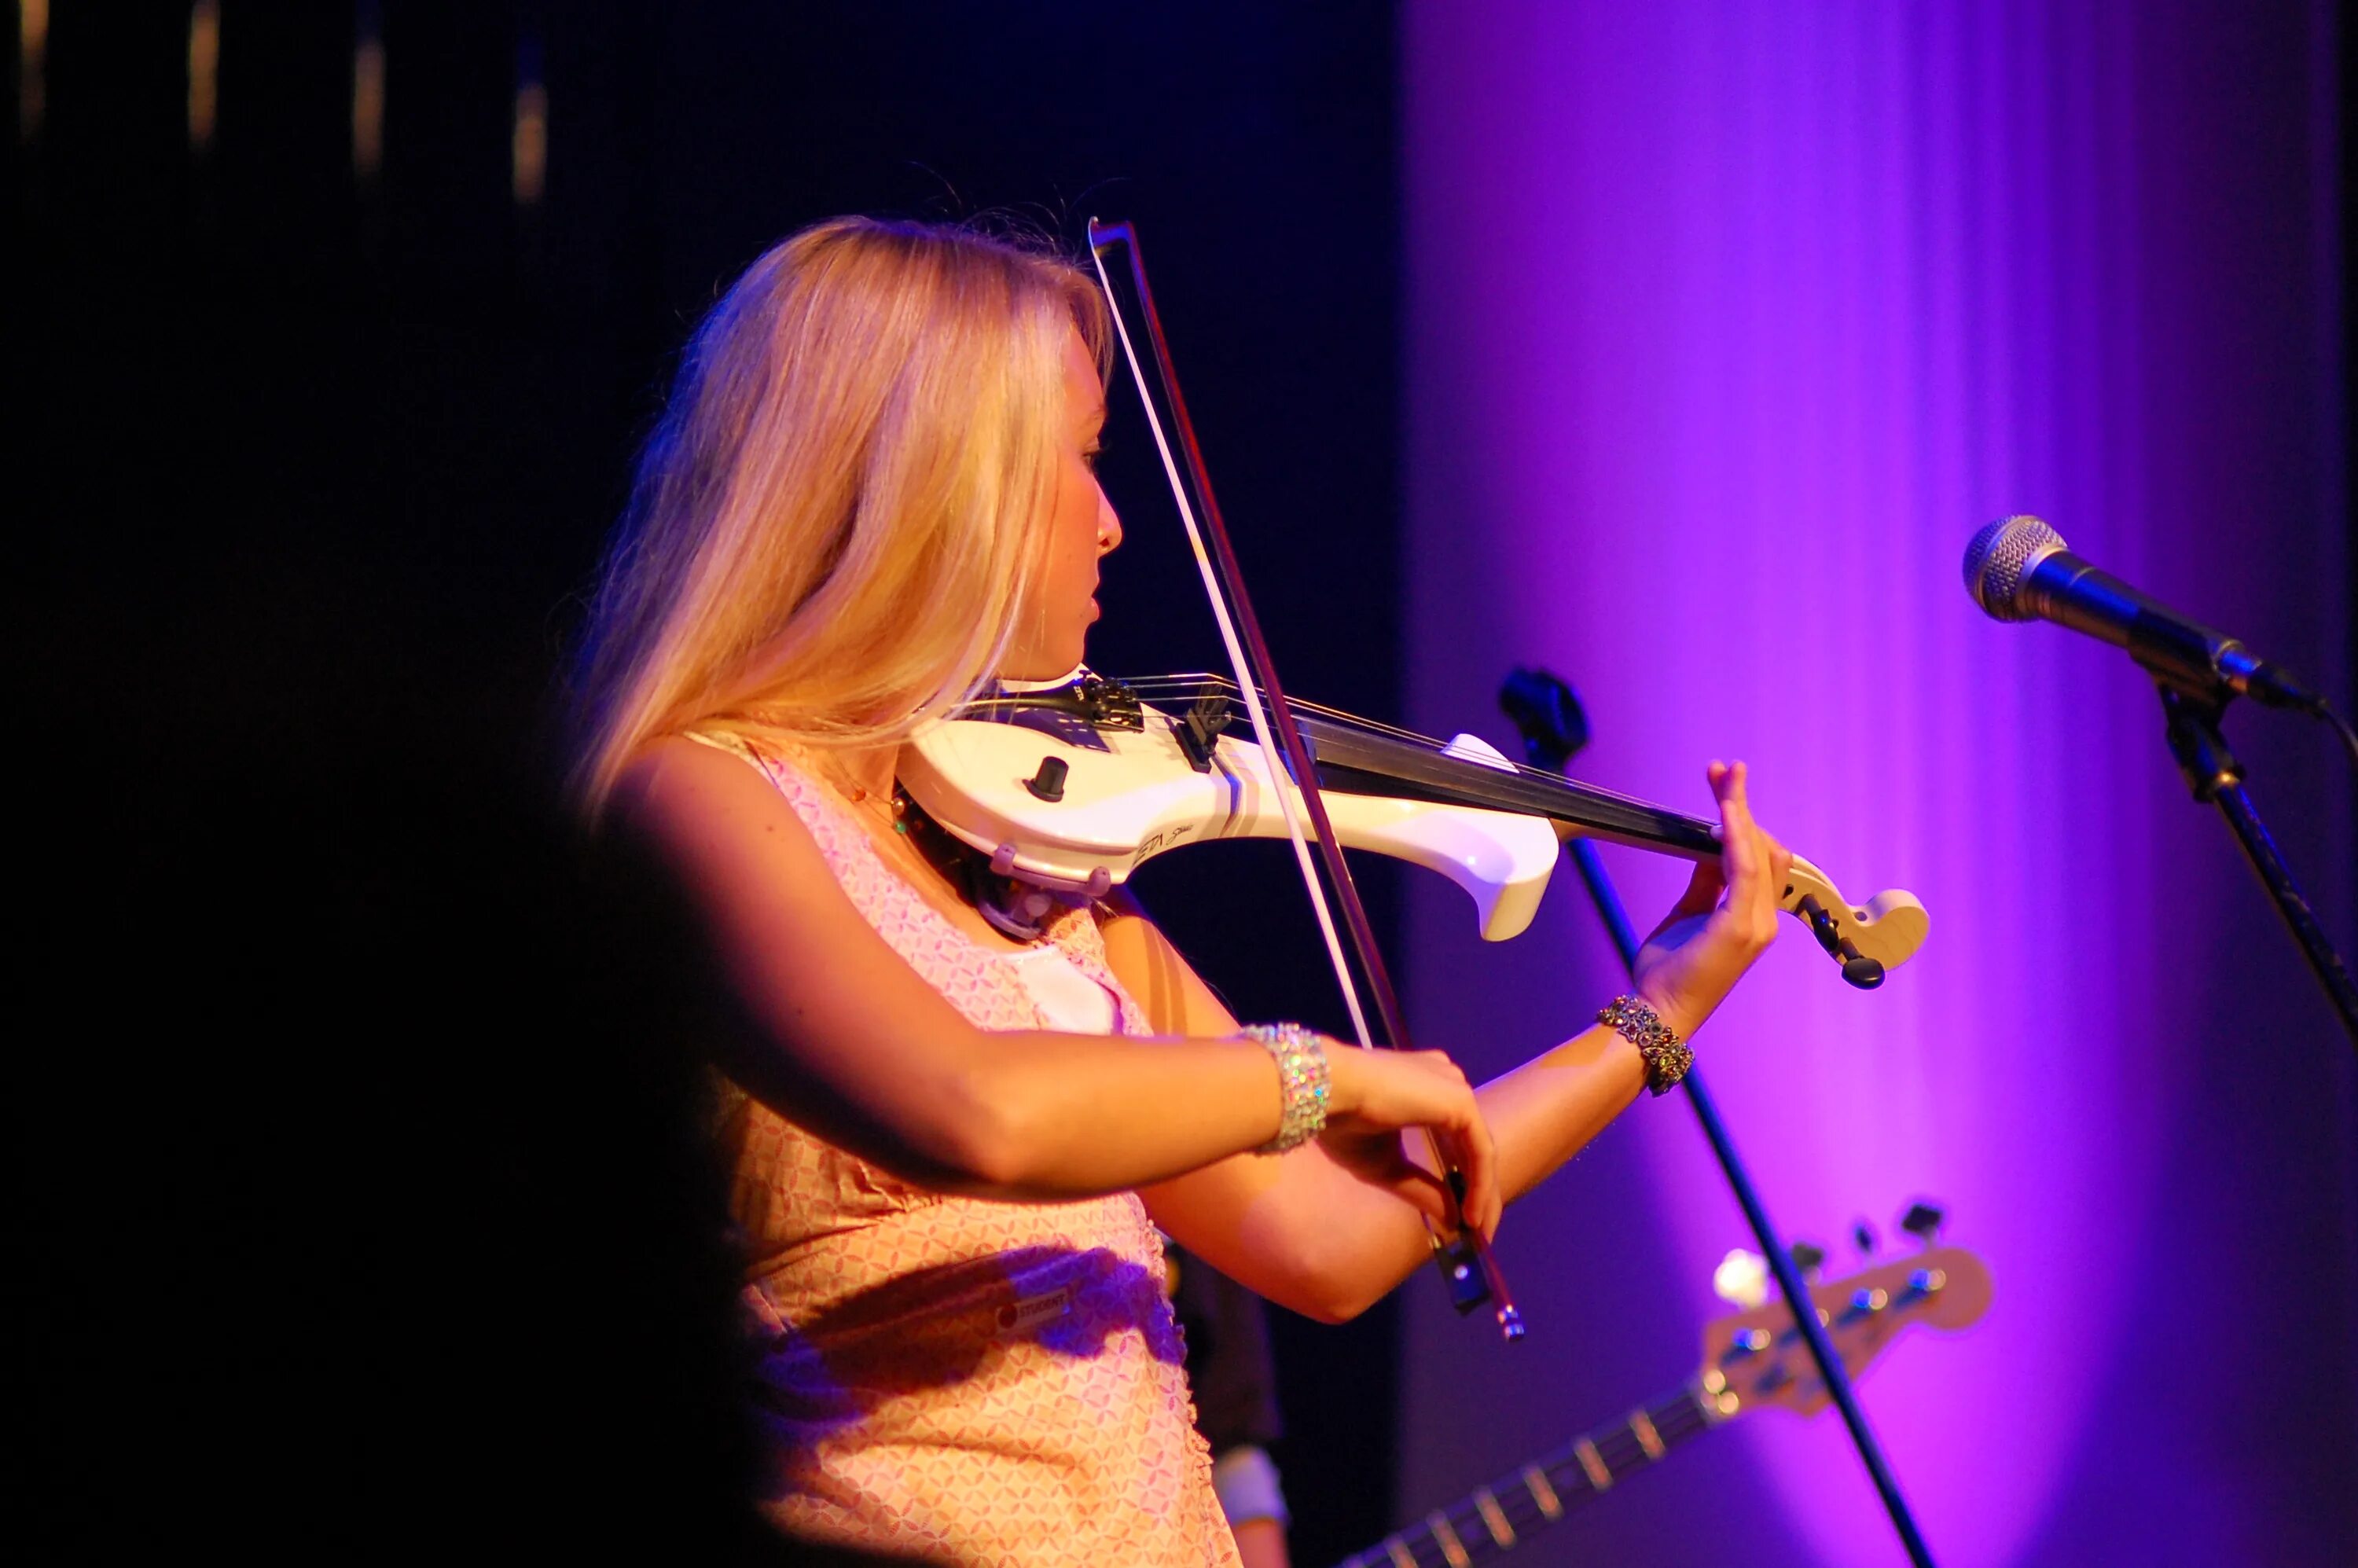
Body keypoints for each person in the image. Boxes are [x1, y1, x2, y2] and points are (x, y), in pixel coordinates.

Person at [571, 216, 1791, 1568]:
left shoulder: (1042, 881)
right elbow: (976, 1108)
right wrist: (1331, 1075)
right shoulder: (698, 798)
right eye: (1082, 461)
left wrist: (1654, 1019)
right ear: (933, 483)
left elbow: (1329, 1245)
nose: (1112, 521)